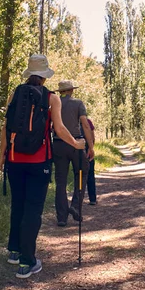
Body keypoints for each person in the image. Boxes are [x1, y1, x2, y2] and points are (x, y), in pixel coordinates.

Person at [0, 54, 86, 279]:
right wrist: (76, 143)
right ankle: (27, 262)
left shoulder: (15, 93)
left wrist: (2, 156)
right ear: (45, 76)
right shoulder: (51, 98)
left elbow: (5, 127)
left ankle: (14, 251)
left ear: (29, 74)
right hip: (39, 163)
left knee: (18, 205)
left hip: (14, 160)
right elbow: (59, 129)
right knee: (33, 210)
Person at [53, 80, 94, 226]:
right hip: (75, 145)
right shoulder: (78, 103)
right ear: (72, 90)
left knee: (61, 181)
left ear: (60, 92)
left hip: (58, 144)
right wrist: (90, 146)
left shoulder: (54, 104)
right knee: (82, 173)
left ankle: (62, 217)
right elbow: (85, 124)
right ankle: (75, 206)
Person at [85, 117, 97, 205]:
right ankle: (92, 199)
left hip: (77, 153)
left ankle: (78, 200)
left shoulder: (73, 121)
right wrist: (91, 148)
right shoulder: (88, 122)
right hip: (88, 151)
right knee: (90, 175)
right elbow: (93, 138)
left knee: (79, 175)